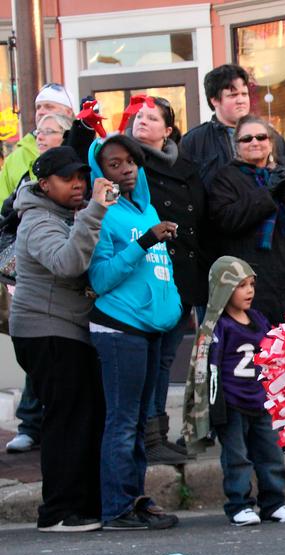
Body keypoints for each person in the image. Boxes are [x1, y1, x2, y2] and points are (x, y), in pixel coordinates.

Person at [9, 147, 113, 531]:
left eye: (81, 177)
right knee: (66, 420)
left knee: (82, 416)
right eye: (67, 179)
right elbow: (68, 263)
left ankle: (81, 505)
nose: (78, 185)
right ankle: (57, 512)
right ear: (44, 183)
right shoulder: (37, 220)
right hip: (47, 331)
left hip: (64, 329)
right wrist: (95, 211)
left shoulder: (60, 213)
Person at [87, 134, 182, 530]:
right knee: (122, 422)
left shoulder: (146, 209)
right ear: (100, 171)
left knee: (139, 422)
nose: (125, 168)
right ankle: (116, 508)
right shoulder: (101, 214)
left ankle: (135, 498)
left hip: (150, 330)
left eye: (130, 161)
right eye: (114, 164)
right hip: (118, 330)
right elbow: (100, 277)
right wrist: (145, 241)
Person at [183, 256, 285, 526]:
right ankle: (239, 505)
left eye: (251, 284)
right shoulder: (217, 327)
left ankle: (274, 503)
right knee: (237, 456)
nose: (249, 291)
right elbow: (207, 370)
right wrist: (212, 407)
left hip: (261, 401)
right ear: (223, 289)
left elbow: (274, 351)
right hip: (232, 403)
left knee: (270, 453)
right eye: (241, 286)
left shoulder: (258, 319)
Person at [127, 96, 213, 464]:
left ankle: (157, 433)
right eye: (137, 116)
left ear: (168, 129)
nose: (141, 122)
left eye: (150, 117)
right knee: (147, 358)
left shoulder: (187, 167)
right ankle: (147, 434)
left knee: (164, 359)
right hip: (147, 272)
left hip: (183, 277)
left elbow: (202, 222)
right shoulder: (126, 164)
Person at [3, 112, 74, 454]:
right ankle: (30, 425)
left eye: (52, 131)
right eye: (40, 130)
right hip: (35, 292)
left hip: (64, 311)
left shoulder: (78, 176)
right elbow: (66, 261)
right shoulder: (26, 173)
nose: (42, 135)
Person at [209, 115, 285, 327]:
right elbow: (228, 220)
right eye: (247, 139)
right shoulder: (225, 178)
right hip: (255, 280)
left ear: (271, 142)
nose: (255, 142)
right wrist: (267, 192)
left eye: (261, 137)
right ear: (236, 146)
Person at [180, 64, 285, 188]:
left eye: (244, 94)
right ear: (214, 100)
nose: (241, 100)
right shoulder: (194, 141)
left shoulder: (269, 135)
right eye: (233, 95)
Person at [0, 83, 76, 201]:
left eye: (49, 106)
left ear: (68, 112)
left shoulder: (84, 151)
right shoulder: (15, 158)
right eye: (38, 107)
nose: (41, 112)